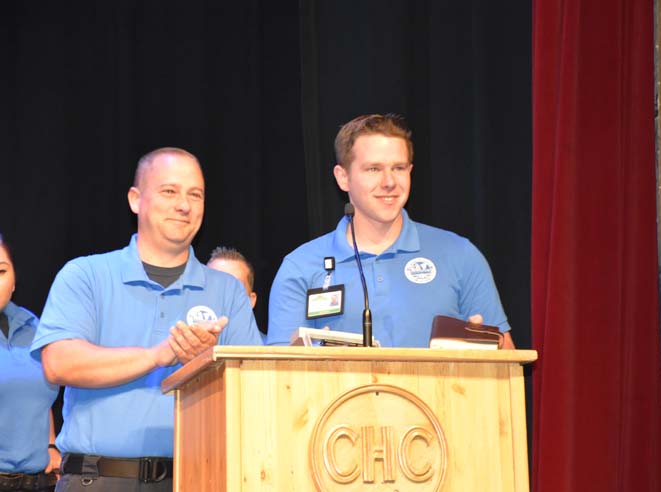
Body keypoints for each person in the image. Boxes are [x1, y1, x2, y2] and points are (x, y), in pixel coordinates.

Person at [30, 147, 263, 492]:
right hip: (99, 479)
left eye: (195, 194)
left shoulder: (227, 291)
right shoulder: (86, 275)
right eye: (169, 191)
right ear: (135, 199)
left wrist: (208, 363)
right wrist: (160, 355)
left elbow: (254, 391)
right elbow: (59, 362)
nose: (184, 205)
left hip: (201, 479)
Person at [267, 114, 515, 349]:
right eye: (373, 169)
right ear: (343, 178)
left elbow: (507, 364)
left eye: (398, 168)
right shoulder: (301, 266)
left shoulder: (460, 255)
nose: (389, 182)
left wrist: (487, 352)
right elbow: (279, 375)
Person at [0, 234, 60, 492]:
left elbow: (35, 392)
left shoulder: (34, 327)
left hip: (39, 482)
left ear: (14, 281)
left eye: (1, 271)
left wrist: (51, 445)